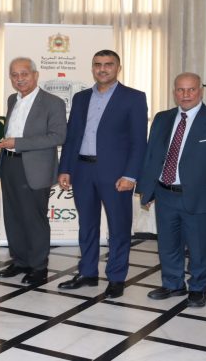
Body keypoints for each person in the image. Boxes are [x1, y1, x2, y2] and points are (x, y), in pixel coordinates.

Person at [137, 72, 206, 308]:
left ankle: (198, 287)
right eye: (180, 90)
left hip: (203, 196)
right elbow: (151, 155)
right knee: (168, 244)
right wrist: (146, 188)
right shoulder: (162, 118)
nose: (185, 95)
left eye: (191, 89)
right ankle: (173, 283)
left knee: (202, 246)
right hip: (165, 193)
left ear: (200, 91)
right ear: (174, 92)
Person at [55, 49, 147, 298]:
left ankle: (116, 278)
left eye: (108, 64)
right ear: (92, 68)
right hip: (82, 169)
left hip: (117, 174)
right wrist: (65, 168)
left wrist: (131, 175)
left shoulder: (134, 98)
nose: (102, 69)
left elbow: (139, 141)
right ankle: (87, 273)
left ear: (118, 68)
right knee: (86, 225)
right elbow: (72, 135)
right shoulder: (81, 97)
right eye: (98, 64)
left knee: (119, 227)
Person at [0, 57, 66, 285]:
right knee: (13, 216)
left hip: (35, 169)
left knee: (34, 219)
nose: (19, 79)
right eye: (14, 75)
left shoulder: (53, 102)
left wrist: (18, 143)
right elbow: (9, 131)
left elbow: (58, 136)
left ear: (35, 75)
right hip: (9, 164)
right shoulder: (11, 99)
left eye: (24, 74)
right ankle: (20, 261)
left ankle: (38, 267)